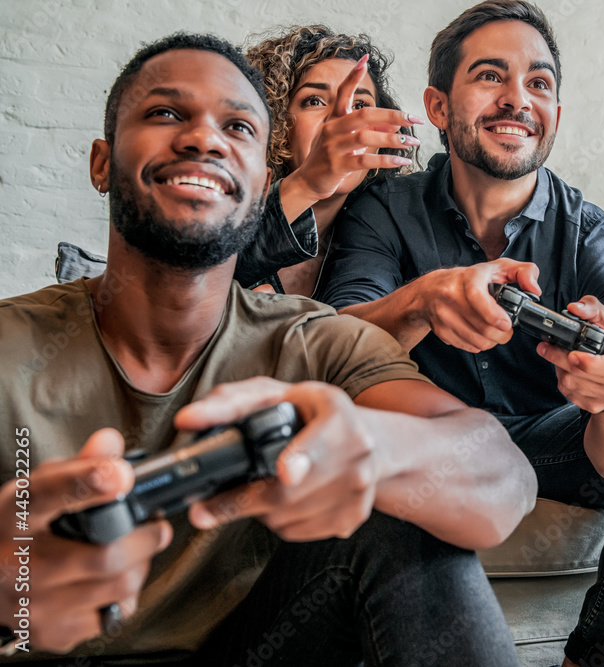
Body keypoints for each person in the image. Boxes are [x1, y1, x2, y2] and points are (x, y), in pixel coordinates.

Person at [0, 33, 536, 665]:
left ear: (261, 184)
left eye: (237, 126)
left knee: (403, 508)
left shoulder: (315, 340)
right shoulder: (13, 346)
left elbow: (504, 477)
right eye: (167, 113)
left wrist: (373, 452)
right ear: (101, 162)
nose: (204, 138)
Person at [315, 3, 604, 666]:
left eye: (539, 84)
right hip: (430, 438)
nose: (518, 99)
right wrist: (426, 300)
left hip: (555, 441)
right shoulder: (384, 209)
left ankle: (593, 656)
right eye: (491, 76)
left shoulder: (599, 242)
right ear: (437, 104)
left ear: (556, 117)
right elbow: (330, 350)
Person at [235, 25, 422, 296]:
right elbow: (193, 266)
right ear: (274, 123)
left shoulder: (388, 236)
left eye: (360, 106)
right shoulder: (217, 208)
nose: (343, 121)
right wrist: (306, 184)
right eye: (315, 101)